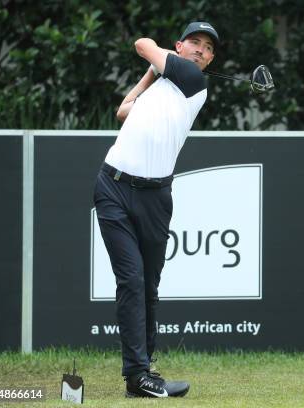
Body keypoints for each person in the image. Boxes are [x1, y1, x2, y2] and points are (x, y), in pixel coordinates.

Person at [92, 21, 219, 398]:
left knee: (147, 286)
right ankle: (138, 375)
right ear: (179, 46)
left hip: (154, 198)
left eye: (207, 47)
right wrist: (151, 75)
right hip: (112, 187)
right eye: (193, 42)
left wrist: (158, 61)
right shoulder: (164, 84)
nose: (200, 50)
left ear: (211, 59)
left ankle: (142, 372)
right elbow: (123, 110)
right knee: (131, 280)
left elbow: (143, 42)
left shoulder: (195, 83)